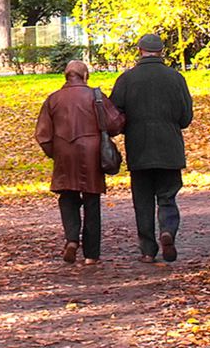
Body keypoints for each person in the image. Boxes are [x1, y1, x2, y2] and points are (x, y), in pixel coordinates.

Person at [110, 34, 194, 263]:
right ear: (161, 51)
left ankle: (148, 250)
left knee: (143, 200)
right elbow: (186, 117)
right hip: (169, 147)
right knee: (167, 196)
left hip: (139, 148)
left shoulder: (126, 79)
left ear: (140, 50)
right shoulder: (176, 78)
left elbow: (114, 117)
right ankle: (167, 231)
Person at [35, 60, 125, 265]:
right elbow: (114, 124)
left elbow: (43, 135)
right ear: (85, 76)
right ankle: (91, 254)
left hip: (64, 154)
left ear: (66, 76)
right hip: (91, 154)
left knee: (67, 197)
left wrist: (56, 153)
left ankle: (72, 239)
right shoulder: (96, 97)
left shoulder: (53, 99)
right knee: (92, 202)